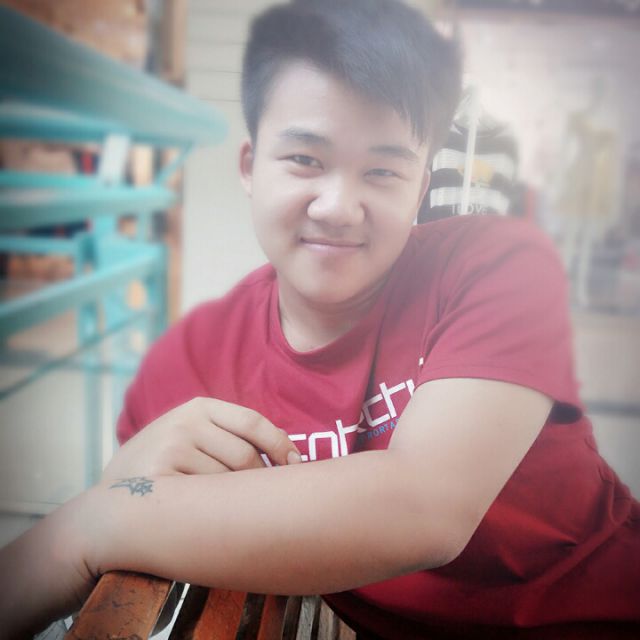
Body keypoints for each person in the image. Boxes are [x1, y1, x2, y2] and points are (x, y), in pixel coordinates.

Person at [1, 1, 639, 638]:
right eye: (306, 159)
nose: (338, 207)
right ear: (250, 166)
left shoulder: (498, 266)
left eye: (383, 171)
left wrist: (91, 523)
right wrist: (115, 489)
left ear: (420, 189)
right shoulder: (191, 367)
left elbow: (426, 508)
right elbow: (124, 521)